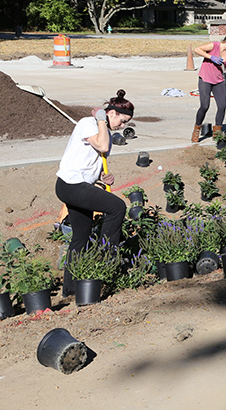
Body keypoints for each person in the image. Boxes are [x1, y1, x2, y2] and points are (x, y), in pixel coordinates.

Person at [56, 89, 134, 297]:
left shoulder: (103, 130)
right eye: (122, 120)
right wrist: (100, 119)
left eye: (126, 123)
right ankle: (107, 256)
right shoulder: (87, 124)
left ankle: (70, 290)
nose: (123, 126)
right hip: (70, 184)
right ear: (111, 113)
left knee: (80, 237)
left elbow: (90, 160)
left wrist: (101, 176)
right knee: (117, 207)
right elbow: (102, 144)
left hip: (82, 184)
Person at [191, 32, 226, 142]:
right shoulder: (215, 45)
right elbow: (197, 49)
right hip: (205, 79)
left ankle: (217, 132)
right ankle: (196, 130)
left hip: (219, 82)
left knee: (222, 106)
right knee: (204, 106)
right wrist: (210, 57)